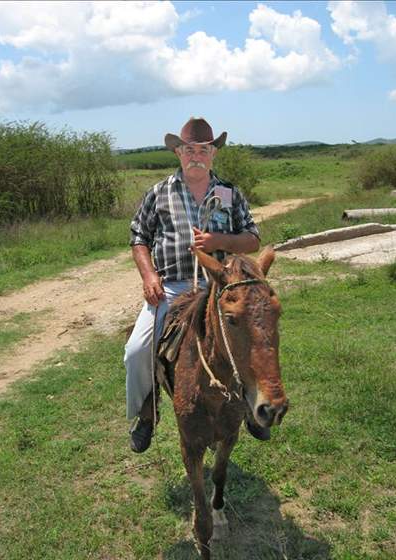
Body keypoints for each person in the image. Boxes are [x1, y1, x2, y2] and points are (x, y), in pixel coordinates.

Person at [124, 117, 268, 453]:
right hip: (171, 288)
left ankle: (253, 406)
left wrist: (220, 239)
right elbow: (138, 237)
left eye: (203, 149)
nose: (196, 155)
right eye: (189, 149)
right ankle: (146, 413)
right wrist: (148, 276)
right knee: (136, 351)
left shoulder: (229, 193)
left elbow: (252, 239)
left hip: (221, 287)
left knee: (254, 338)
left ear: (213, 153)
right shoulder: (159, 193)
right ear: (178, 152)